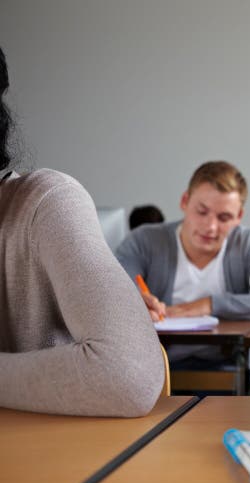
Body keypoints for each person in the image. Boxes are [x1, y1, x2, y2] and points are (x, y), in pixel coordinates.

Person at [0, 46, 164, 417]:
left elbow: (130, 373)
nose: (214, 225)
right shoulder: (149, 241)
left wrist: (210, 305)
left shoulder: (47, 201)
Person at [116, 161, 250, 332]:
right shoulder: (143, 241)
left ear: (239, 216)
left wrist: (209, 305)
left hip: (233, 363)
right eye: (202, 212)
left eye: (224, 217)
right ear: (184, 201)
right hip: (160, 363)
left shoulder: (248, 244)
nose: (210, 226)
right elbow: (111, 294)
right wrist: (137, 304)